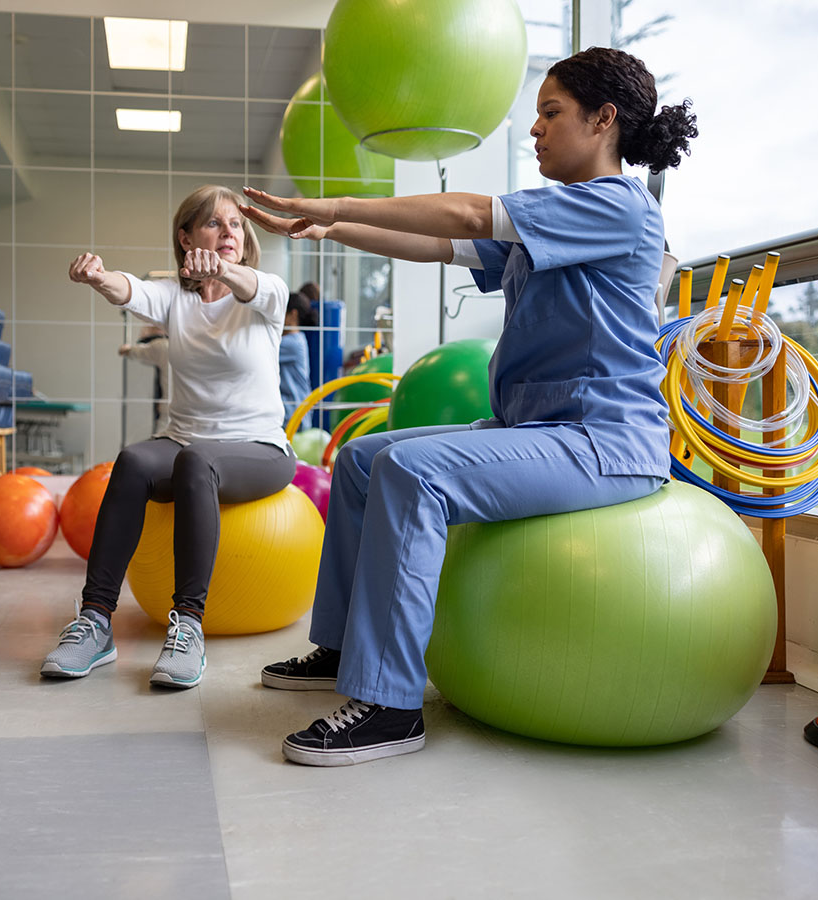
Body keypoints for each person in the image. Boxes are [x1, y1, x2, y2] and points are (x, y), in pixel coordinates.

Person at [241, 47, 698, 765]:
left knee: (414, 474)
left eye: (551, 114)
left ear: (603, 119)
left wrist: (336, 202)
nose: (536, 131)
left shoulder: (619, 208)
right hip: (539, 428)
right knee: (363, 457)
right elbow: (444, 245)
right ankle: (340, 649)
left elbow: (464, 207)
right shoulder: (555, 220)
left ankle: (391, 705)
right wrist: (332, 230)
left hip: (603, 441)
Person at [41, 185, 295, 689]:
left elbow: (246, 285)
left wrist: (221, 270)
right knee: (134, 461)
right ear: (185, 237)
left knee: (197, 462)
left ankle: (189, 627)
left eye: (236, 225)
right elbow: (128, 288)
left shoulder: (265, 292)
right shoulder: (177, 300)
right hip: (184, 440)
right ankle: (95, 621)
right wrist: (98, 277)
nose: (229, 233)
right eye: (214, 224)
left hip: (260, 449)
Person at [119, 325, 170, 435]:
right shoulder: (203, 346)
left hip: (169, 414)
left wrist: (128, 349)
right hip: (204, 416)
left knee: (162, 446)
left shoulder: (163, 347)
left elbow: (128, 350)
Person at [279, 292, 315, 427]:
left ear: (293, 315)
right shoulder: (296, 340)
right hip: (292, 413)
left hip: (294, 416)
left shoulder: (292, 343)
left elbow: (260, 349)